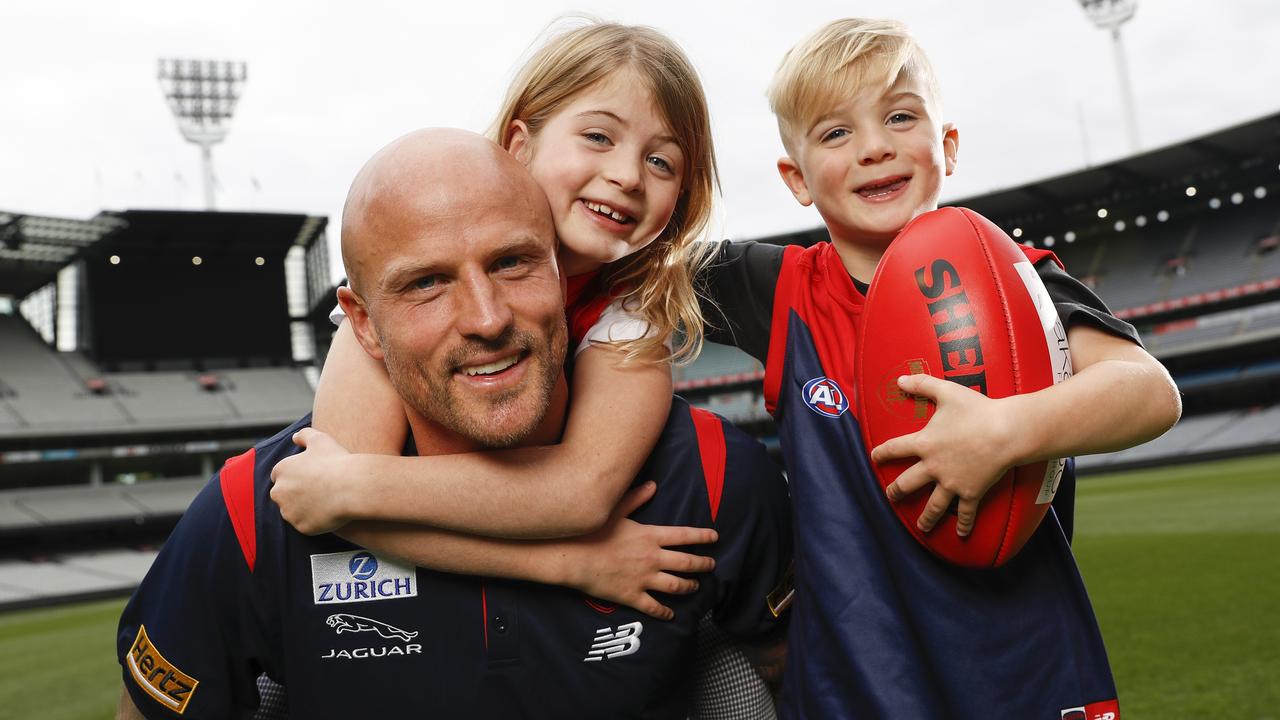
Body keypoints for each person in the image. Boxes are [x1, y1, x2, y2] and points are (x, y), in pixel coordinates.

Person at [116, 129, 792, 719]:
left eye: (511, 262)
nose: (487, 318)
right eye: (426, 284)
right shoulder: (250, 514)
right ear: (361, 325)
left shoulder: (713, 475)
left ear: (562, 270)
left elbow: (808, 680)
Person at [694, 18, 1182, 718]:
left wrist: (1006, 430)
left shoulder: (1020, 280)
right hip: (851, 685)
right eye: (836, 133)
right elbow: (628, 274)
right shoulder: (777, 289)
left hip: (1023, 670)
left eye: (899, 116)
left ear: (946, 145)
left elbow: (1149, 392)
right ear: (796, 179)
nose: (874, 147)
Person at [268, 18, 721, 616]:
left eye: (662, 162)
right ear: (519, 144)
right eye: (599, 137)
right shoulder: (402, 293)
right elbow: (343, 510)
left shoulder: (634, 319)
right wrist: (573, 563)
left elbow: (579, 493)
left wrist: (356, 485)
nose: (629, 175)